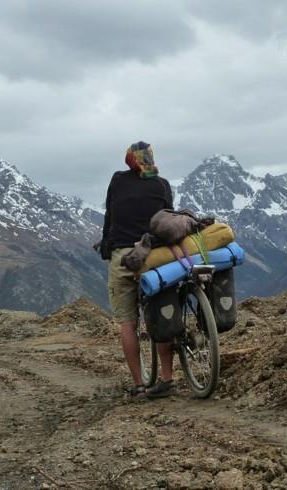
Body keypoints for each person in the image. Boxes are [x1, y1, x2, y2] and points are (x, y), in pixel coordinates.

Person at [97, 141, 176, 399]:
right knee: (162, 315)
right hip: (154, 256)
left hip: (123, 257)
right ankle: (167, 378)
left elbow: (110, 216)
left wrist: (107, 246)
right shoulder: (162, 184)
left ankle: (139, 386)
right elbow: (168, 220)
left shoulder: (118, 181)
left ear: (129, 160)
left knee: (128, 324)